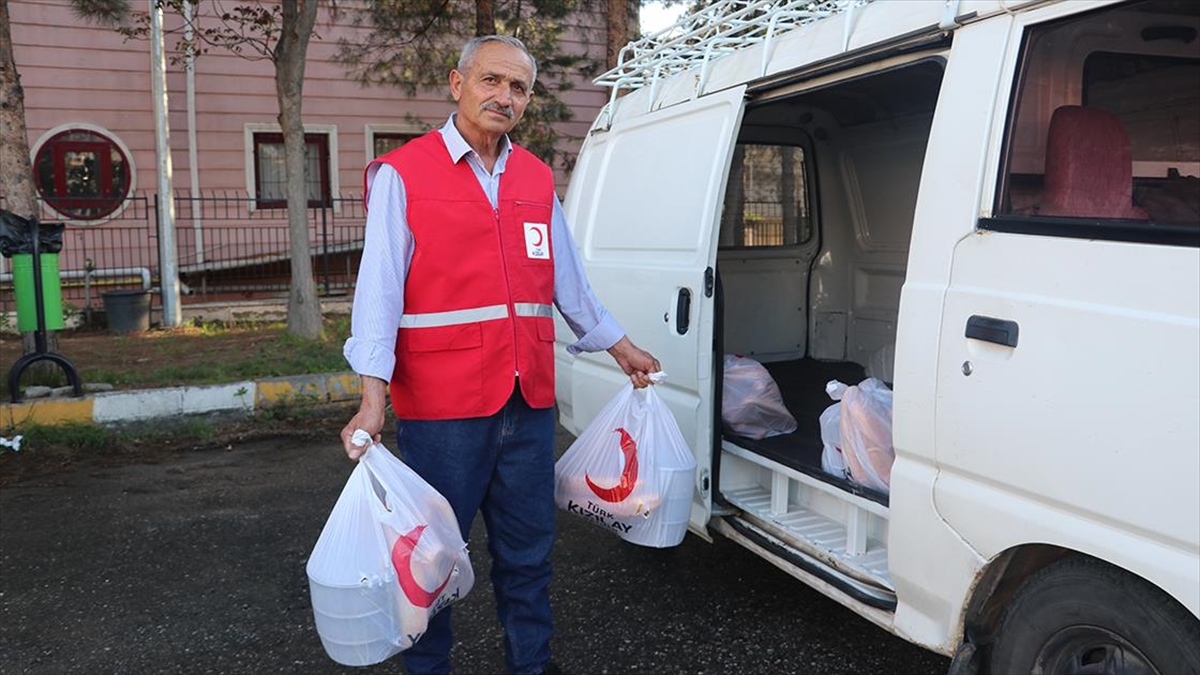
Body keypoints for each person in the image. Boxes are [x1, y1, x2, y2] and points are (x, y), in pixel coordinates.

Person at [340, 34, 659, 675]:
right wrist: (372, 400)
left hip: (528, 402)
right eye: (490, 81)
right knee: (429, 560)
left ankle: (532, 667)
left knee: (529, 557)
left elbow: (568, 282)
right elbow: (377, 295)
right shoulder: (404, 174)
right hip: (442, 408)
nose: (503, 96)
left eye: (517, 87)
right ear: (458, 85)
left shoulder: (536, 176)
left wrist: (621, 347)